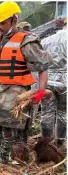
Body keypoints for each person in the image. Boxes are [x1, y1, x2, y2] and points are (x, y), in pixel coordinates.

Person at [0, 1, 52, 163]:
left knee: (9, 121)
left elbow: (43, 67)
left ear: (14, 20)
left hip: (16, 88)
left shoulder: (26, 41)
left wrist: (41, 90)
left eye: (3, 23)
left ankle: (5, 154)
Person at [34, 18, 67, 158]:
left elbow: (39, 63)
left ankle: (46, 140)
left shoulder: (46, 41)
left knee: (47, 112)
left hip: (48, 80)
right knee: (63, 113)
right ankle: (60, 141)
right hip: (65, 81)